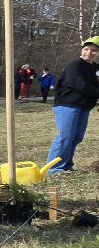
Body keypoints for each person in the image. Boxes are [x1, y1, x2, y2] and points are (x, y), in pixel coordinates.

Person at [46, 36, 99, 172]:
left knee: (76, 137)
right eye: (86, 49)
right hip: (67, 105)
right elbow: (79, 85)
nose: (89, 53)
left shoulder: (96, 68)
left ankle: (67, 165)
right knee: (66, 137)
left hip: (84, 107)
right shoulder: (75, 65)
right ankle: (54, 169)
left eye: (94, 50)